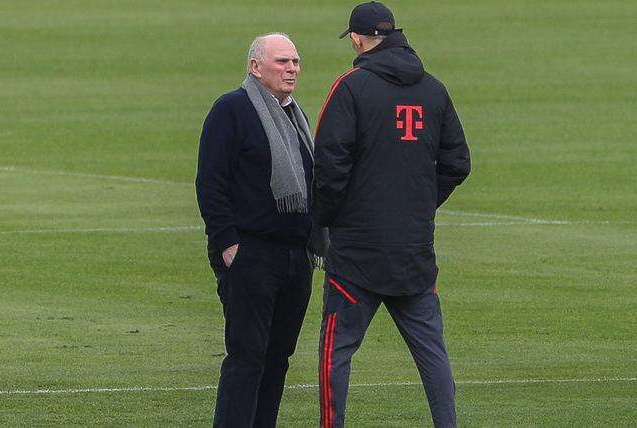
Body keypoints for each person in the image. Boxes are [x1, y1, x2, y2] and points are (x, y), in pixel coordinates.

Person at [312, 2, 471, 427]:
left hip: (356, 254)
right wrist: (419, 205)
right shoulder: (434, 89)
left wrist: (326, 219)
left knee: (336, 350)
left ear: (360, 39)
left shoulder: (351, 87)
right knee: (432, 352)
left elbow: (329, 165)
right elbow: (458, 162)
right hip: (413, 250)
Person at [196, 33, 316, 428]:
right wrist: (228, 243)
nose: (292, 68)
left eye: (295, 61)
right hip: (251, 254)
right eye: (282, 61)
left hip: (295, 256)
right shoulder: (232, 109)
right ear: (255, 67)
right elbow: (211, 181)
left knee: (278, 358)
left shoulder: (296, 117)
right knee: (247, 357)